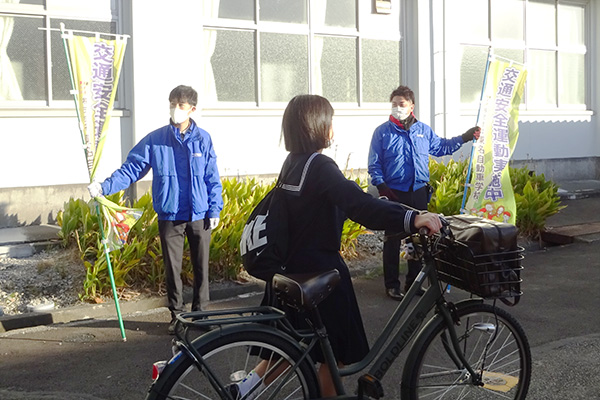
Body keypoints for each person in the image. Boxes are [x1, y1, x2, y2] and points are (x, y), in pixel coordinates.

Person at [227, 94, 444, 399]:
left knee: (288, 348)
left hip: (289, 271)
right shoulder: (319, 165)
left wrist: (373, 204)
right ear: (317, 126)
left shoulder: (293, 163)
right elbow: (357, 205)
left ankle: (244, 389)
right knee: (335, 355)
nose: (332, 128)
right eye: (329, 121)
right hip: (320, 276)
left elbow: (328, 204)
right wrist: (412, 217)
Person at [87, 85, 223, 334]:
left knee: (201, 266)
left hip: (199, 213)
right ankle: (177, 316)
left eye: (181, 105)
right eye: (172, 103)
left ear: (192, 109)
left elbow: (212, 176)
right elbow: (132, 169)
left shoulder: (203, 139)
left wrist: (215, 208)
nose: (175, 109)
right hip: (170, 213)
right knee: (172, 269)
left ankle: (202, 313)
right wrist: (104, 187)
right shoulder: (156, 139)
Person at [368, 85, 480, 301]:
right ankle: (392, 285)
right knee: (392, 240)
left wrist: (465, 137)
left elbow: (441, 147)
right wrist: (382, 186)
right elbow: (374, 163)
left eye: (401, 104)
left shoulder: (423, 130)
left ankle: (413, 282)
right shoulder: (382, 132)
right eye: (393, 104)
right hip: (393, 193)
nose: (397, 108)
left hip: (418, 191)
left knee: (417, 240)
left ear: (411, 106)